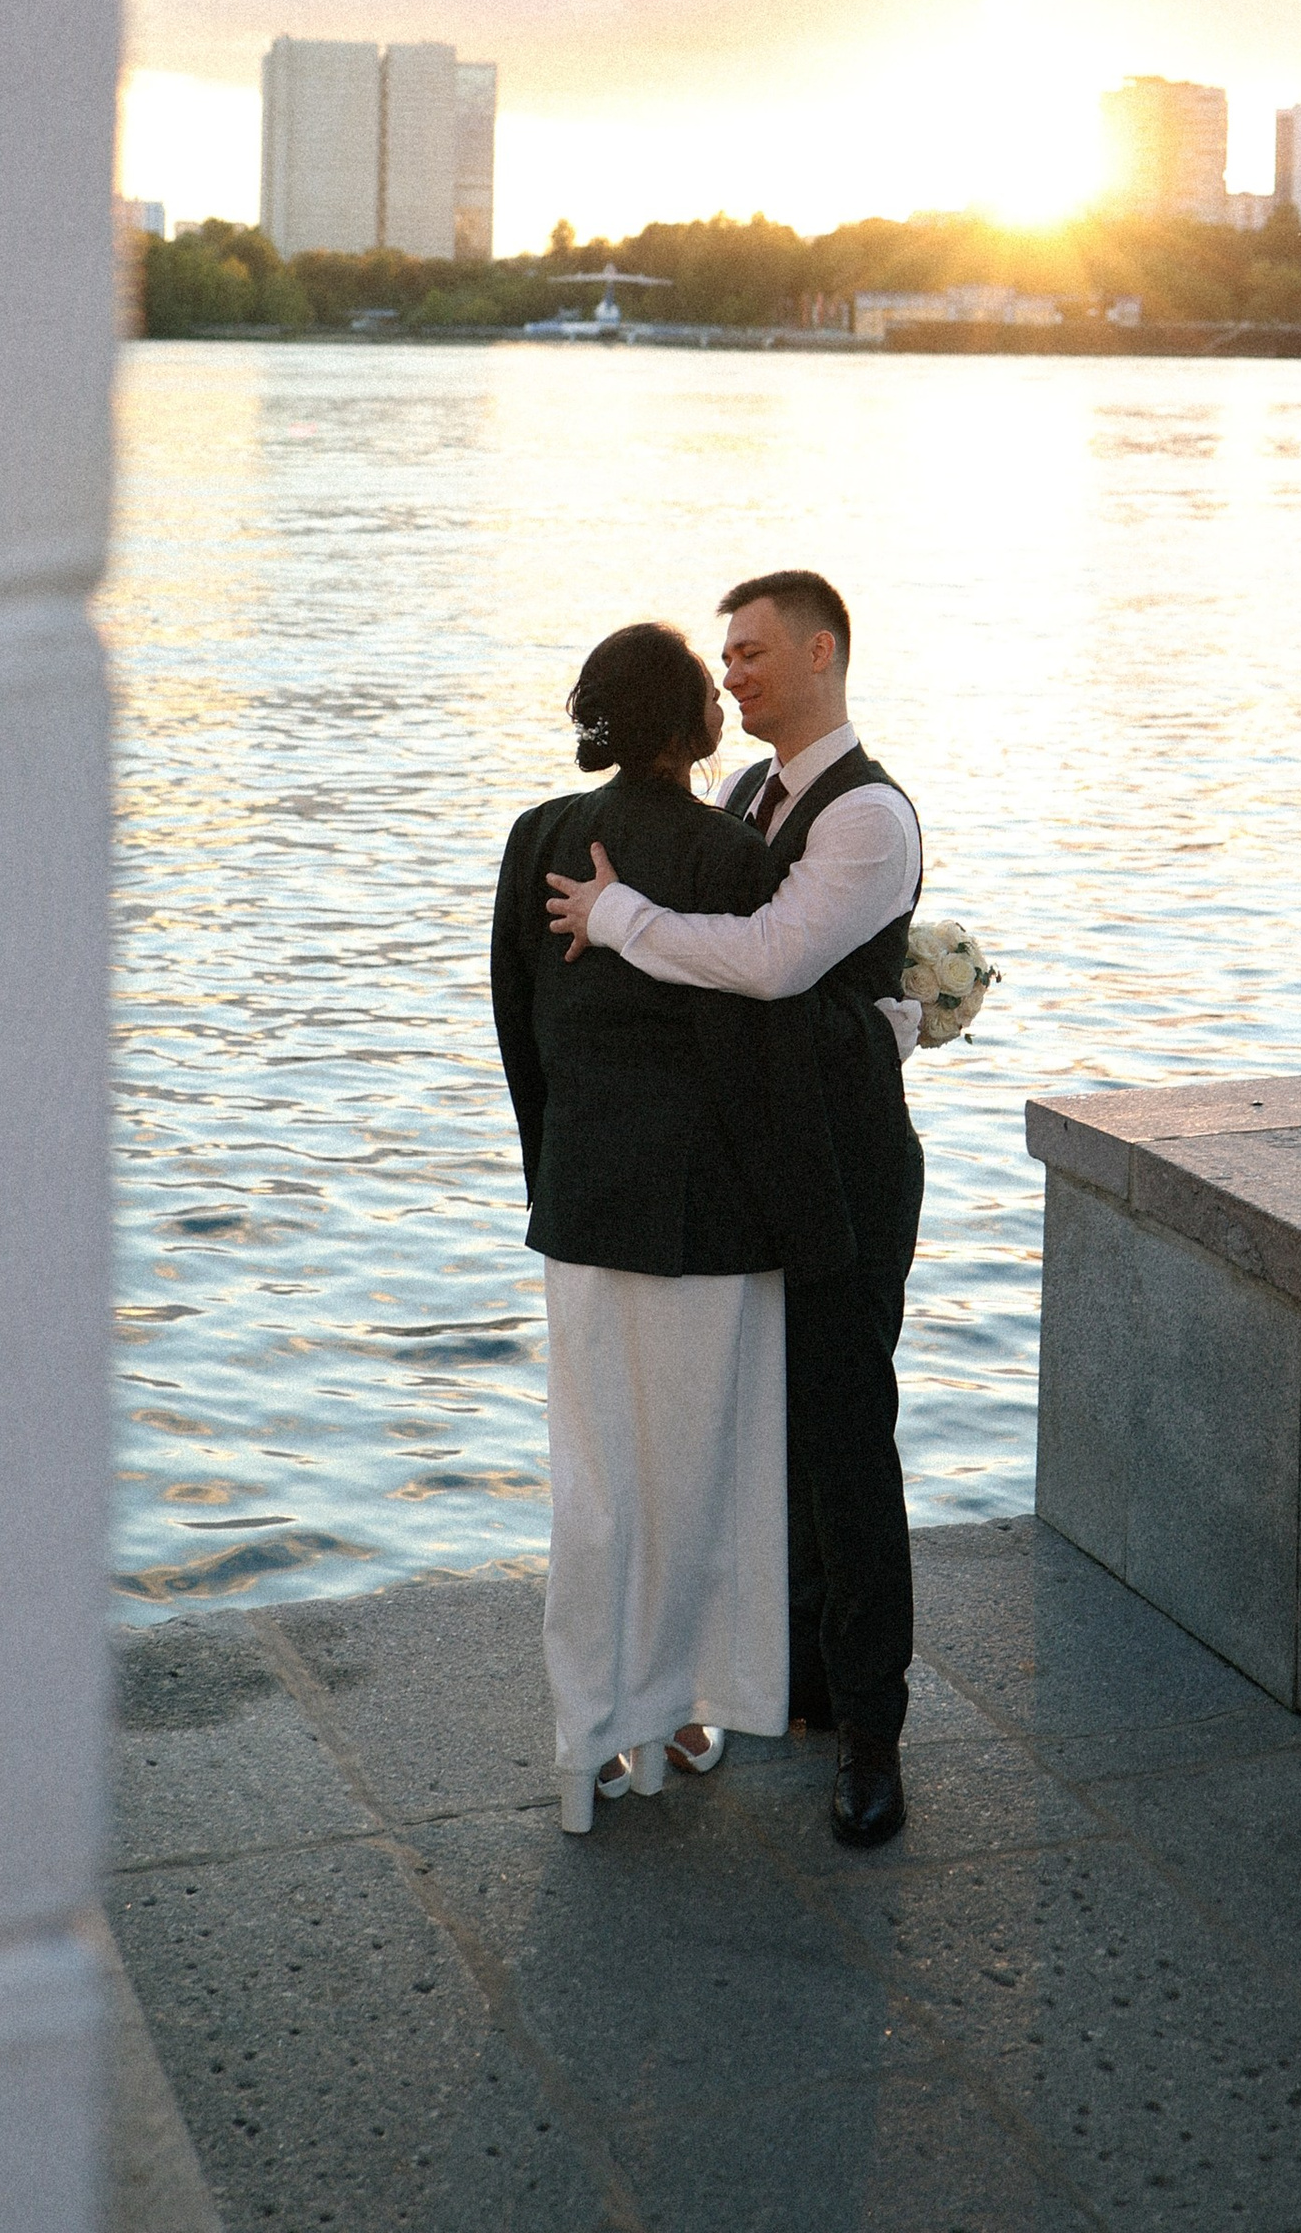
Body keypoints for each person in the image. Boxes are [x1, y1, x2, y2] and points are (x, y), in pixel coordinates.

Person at [545, 569, 923, 1851]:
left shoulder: (867, 817)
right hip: (767, 1169)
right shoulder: (746, 798)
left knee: (847, 1445)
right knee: (778, 1439)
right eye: (726, 658)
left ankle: (874, 1741)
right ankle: (804, 1690)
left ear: (824, 650)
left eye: (755, 652)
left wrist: (618, 914)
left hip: (849, 1179)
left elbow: (764, 966)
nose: (737, 673)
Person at [490, 620, 852, 1836]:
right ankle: (675, 1712)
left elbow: (519, 1025)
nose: (722, 694)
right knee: (693, 1479)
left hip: (586, 1204)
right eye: (711, 682)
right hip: (708, 1222)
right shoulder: (724, 856)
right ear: (692, 722)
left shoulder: (539, 836)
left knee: (594, 1486)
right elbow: (762, 1058)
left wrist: (558, 1168)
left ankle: (587, 1739)